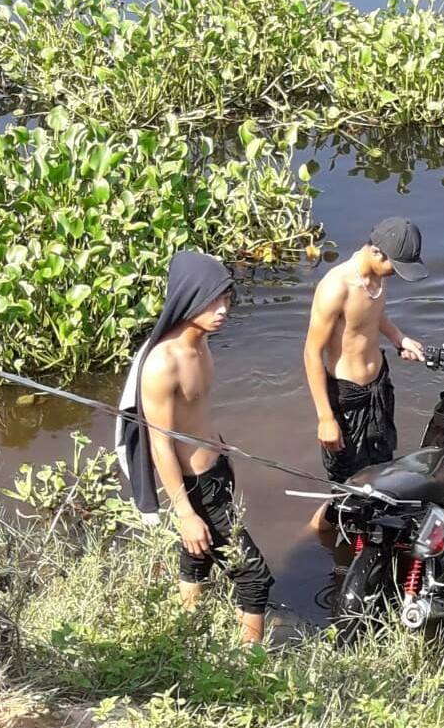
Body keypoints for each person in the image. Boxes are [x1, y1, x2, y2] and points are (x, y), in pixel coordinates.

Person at [115, 251, 273, 644]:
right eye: (211, 301)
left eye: (226, 299)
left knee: (197, 555)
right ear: (187, 298)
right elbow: (160, 445)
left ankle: (184, 632)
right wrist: (185, 513)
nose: (222, 311)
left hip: (215, 471)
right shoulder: (162, 364)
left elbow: (196, 414)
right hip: (195, 486)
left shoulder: (201, 343)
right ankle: (250, 663)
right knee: (254, 576)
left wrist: (220, 449)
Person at [304, 217, 429, 531]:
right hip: (348, 397)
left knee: (381, 474)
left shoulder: (378, 277)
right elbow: (311, 353)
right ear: (376, 252)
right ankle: (316, 535)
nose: (395, 274)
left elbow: (374, 314)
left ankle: (369, 539)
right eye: (395, 266)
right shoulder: (336, 287)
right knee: (347, 491)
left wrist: (399, 339)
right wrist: (325, 418)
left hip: (379, 387)